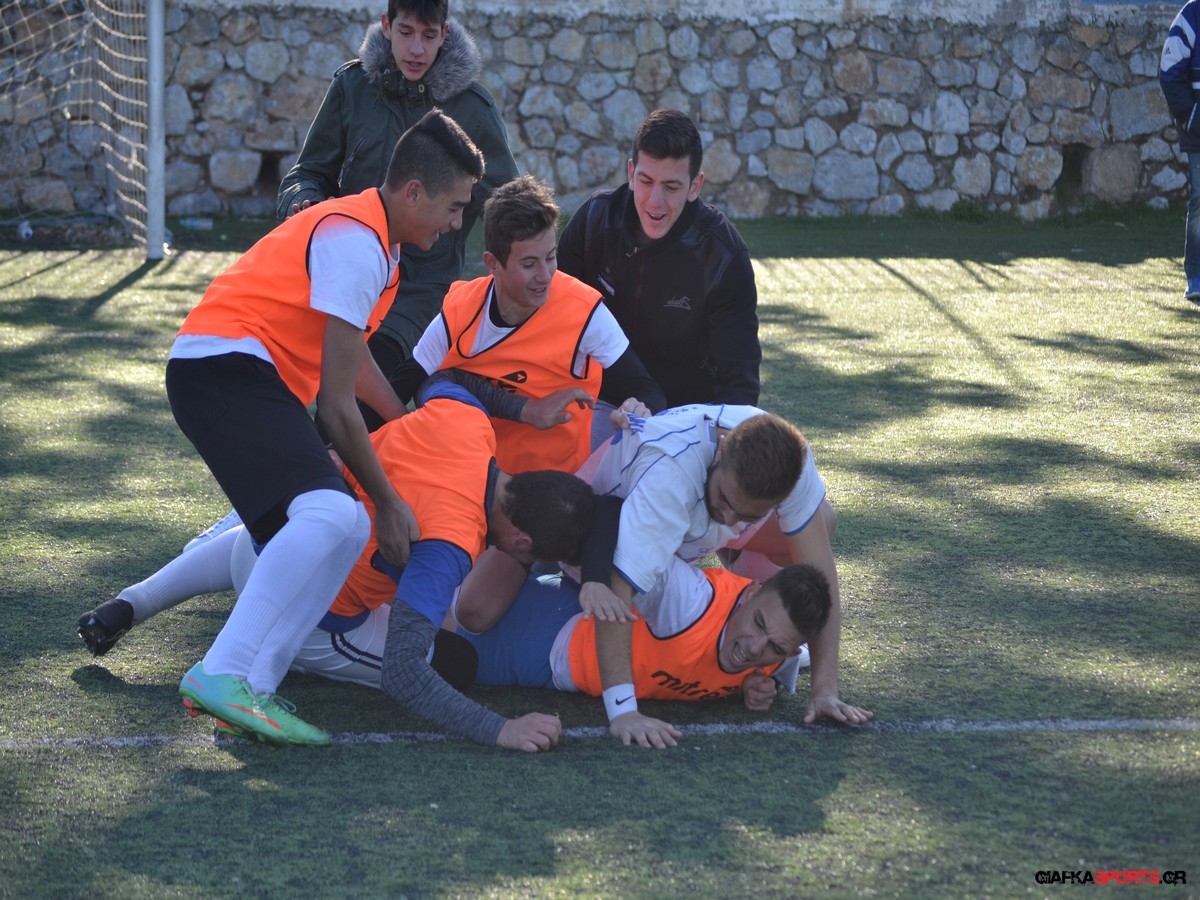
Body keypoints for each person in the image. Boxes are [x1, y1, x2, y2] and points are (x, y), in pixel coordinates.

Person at [158, 110, 485, 747]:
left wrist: (405, 422)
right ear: (413, 192)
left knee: (348, 524)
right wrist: (390, 500)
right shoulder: (360, 247)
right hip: (223, 367)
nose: (455, 223)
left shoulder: (379, 245)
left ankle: (254, 687)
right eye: (454, 207)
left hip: (235, 371)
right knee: (339, 514)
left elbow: (352, 360)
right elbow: (335, 408)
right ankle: (225, 670)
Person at [80, 375, 595, 751]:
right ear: (521, 538)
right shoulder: (451, 540)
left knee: (307, 531)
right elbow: (403, 672)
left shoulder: (466, 421)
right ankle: (254, 681)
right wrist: (500, 729)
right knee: (453, 661)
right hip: (308, 615)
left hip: (267, 539)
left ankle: (133, 602)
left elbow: (445, 378)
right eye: (531, 558)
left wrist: (521, 409)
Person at [471, 404, 873, 748]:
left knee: (821, 522)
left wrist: (825, 689)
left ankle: (747, 600)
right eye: (725, 500)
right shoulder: (668, 478)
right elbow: (617, 587)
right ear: (719, 452)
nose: (729, 519)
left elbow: (820, 578)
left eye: (747, 514)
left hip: (673, 534)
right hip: (587, 535)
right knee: (476, 611)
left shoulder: (791, 466)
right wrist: (623, 711)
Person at [278, 0, 520, 415]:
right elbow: (308, 172)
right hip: (348, 278)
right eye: (406, 32)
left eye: (429, 35)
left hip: (419, 289)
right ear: (387, 26)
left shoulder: (473, 109)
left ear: (445, 34)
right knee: (307, 402)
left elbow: (507, 206)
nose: (416, 49)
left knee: (357, 407)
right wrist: (304, 202)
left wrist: (526, 264)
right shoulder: (351, 87)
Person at [384, 174, 665, 474]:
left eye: (551, 257)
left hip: (554, 486)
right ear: (492, 263)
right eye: (529, 264)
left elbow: (648, 391)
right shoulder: (462, 308)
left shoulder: (585, 311)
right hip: (472, 475)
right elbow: (406, 383)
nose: (545, 276)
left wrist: (637, 408)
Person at [557, 109, 761, 446]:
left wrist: (721, 448)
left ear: (695, 186)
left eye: (671, 186)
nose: (655, 201)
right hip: (600, 402)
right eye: (646, 181)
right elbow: (553, 318)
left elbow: (739, 383)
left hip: (686, 418)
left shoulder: (723, 254)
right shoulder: (595, 219)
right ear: (631, 172)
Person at [454, 552, 832, 713]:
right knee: (441, 638)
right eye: (758, 624)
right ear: (750, 593)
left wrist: (753, 684)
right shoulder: (687, 601)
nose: (754, 648)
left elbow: (790, 655)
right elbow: (612, 538)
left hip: (561, 647)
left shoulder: (781, 651)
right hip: (557, 634)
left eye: (774, 647)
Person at [1160, 2, 1200, 303]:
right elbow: (1169, 69)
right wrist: (1191, 116)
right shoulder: (1192, 14)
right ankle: (1196, 276)